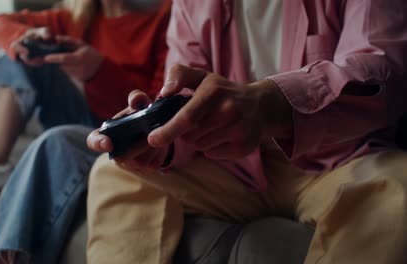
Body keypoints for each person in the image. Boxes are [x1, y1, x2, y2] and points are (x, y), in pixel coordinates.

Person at [85, 0, 407, 263]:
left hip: (340, 158)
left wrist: (271, 104)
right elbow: (181, 99)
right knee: (117, 173)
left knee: (397, 192)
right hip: (232, 165)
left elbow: (381, 70)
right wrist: (161, 142)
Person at [0, 0, 170, 262]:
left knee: (57, 141)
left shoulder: (165, 18)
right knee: (19, 52)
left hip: (122, 133)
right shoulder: (75, 18)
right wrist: (23, 38)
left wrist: (98, 70)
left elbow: (157, 112)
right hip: (77, 117)